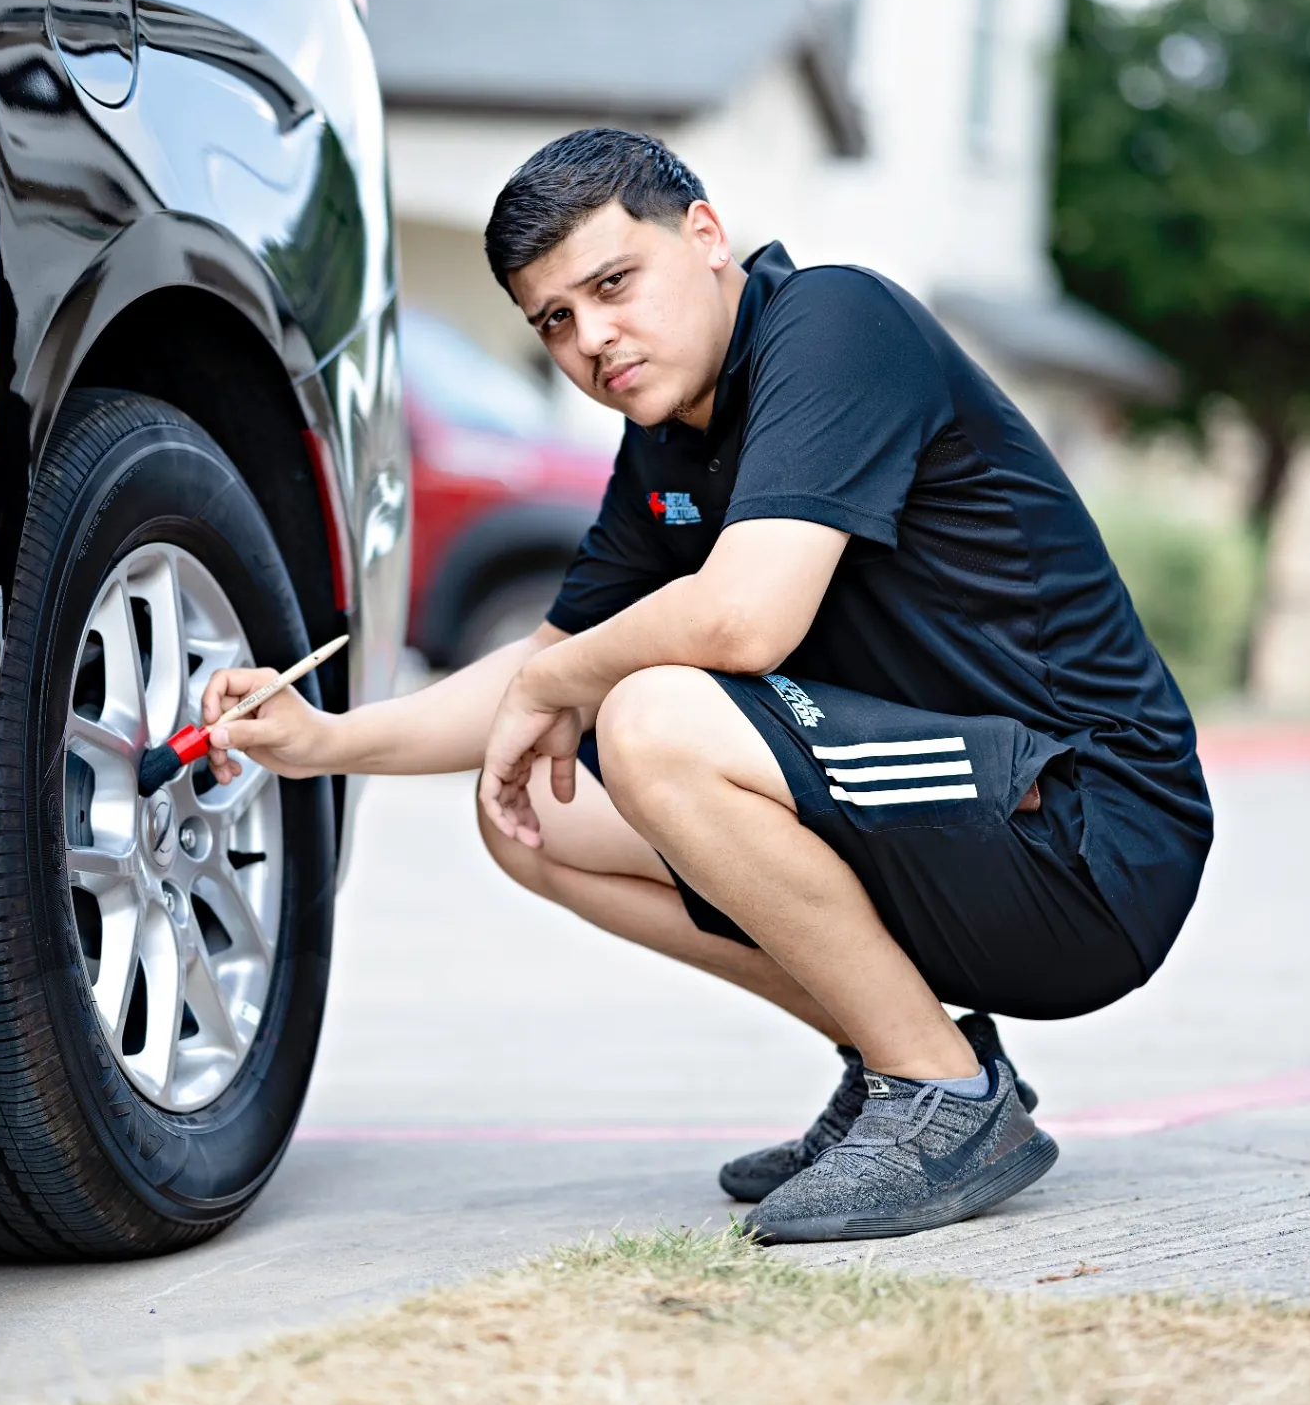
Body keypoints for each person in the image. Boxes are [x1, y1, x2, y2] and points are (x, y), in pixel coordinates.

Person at [200, 128, 1213, 1245]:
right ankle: (904, 1058)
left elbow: (741, 619)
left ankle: (946, 1100)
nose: (592, 340)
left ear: (707, 235)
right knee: (537, 817)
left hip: (1091, 829)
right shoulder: (668, 445)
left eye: (613, 284)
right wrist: (321, 737)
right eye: (556, 321)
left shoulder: (837, 326)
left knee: (652, 719)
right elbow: (541, 657)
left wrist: (566, 680)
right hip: (966, 824)